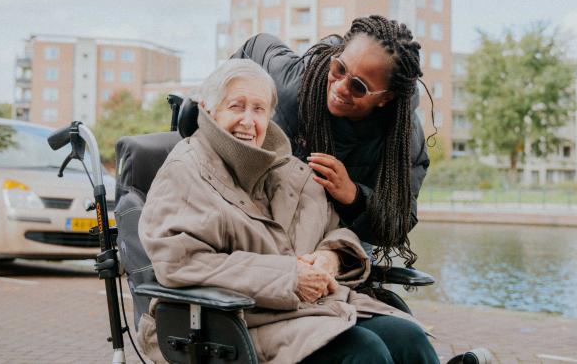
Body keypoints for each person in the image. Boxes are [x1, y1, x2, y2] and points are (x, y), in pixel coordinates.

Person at [137, 59, 439, 364]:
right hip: (234, 322)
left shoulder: (291, 172)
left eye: (258, 109)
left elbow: (334, 229)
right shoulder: (185, 171)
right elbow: (180, 261)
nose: (247, 120)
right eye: (236, 106)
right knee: (364, 352)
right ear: (209, 108)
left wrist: (331, 257)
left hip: (314, 311)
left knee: (408, 339)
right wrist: (289, 277)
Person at [232, 15, 432, 266]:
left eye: (358, 86)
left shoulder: (403, 140)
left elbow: (399, 221)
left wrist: (354, 197)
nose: (339, 88)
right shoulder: (294, 83)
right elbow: (255, 47)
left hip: (343, 232)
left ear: (385, 97)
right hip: (267, 211)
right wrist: (221, 107)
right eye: (339, 69)